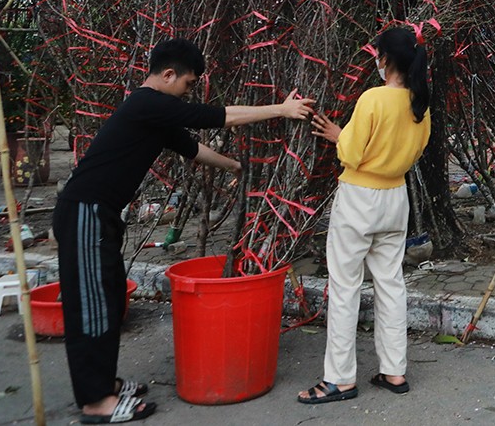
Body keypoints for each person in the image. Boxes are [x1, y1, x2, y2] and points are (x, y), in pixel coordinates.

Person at [54, 38, 314, 424]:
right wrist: (282, 109)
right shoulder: (147, 102)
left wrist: (233, 167)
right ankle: (96, 402)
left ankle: (104, 385)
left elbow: (191, 148)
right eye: (188, 84)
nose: (187, 92)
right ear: (169, 74)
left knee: (108, 299)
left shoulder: (155, 115)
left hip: (98, 215)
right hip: (85, 214)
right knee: (93, 306)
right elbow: (216, 117)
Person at [298, 27, 431, 404]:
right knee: (391, 284)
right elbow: (411, 152)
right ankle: (394, 371)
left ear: (384, 60)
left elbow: (351, 154)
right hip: (395, 196)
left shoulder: (373, 98)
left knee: (345, 287)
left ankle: (339, 379)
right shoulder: (420, 104)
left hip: (360, 196)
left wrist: (338, 135)